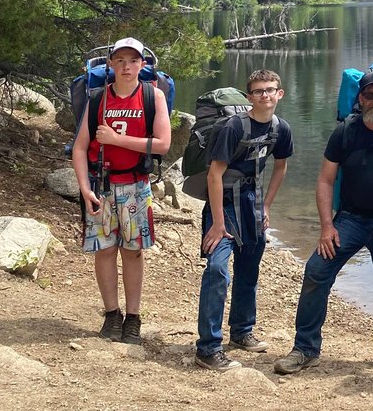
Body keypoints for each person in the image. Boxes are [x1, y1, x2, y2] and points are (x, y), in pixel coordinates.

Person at [274, 69, 373, 374]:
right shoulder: (346, 132)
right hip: (351, 219)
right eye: (370, 94)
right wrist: (327, 226)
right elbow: (326, 180)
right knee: (317, 270)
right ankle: (305, 348)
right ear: (360, 98)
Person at [71, 36, 172, 345]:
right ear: (111, 64)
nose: (126, 66)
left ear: (142, 65)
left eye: (133, 61)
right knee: (104, 250)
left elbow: (164, 144)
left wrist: (117, 140)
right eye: (120, 60)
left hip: (136, 186)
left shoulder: (152, 96)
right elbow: (79, 148)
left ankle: (133, 318)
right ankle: (112, 314)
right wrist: (85, 188)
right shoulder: (99, 99)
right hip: (101, 185)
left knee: (133, 251)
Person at [195, 69, 294, 371]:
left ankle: (241, 331)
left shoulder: (281, 128)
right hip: (222, 205)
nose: (265, 95)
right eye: (258, 91)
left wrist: (266, 206)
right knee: (217, 271)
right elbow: (214, 174)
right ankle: (208, 348)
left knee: (249, 269)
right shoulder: (233, 128)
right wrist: (217, 224)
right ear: (249, 96)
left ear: (280, 94)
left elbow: (280, 167)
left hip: (252, 205)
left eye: (270, 90)